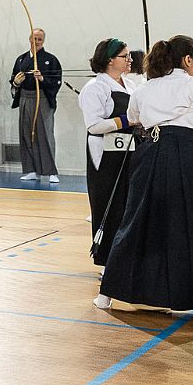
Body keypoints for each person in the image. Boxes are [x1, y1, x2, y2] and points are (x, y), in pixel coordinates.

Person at [95, 35, 193, 325]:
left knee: (137, 222)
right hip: (189, 159)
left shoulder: (144, 88)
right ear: (188, 60)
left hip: (150, 156)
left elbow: (135, 119)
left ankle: (106, 296)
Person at [79, 39, 136, 267]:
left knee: (128, 205)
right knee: (108, 206)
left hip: (129, 151)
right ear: (110, 59)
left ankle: (126, 258)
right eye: (125, 56)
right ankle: (106, 261)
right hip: (104, 155)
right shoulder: (95, 87)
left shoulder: (130, 85)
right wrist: (126, 121)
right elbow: (94, 125)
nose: (130, 60)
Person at [10, 29, 62, 184]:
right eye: (34, 38)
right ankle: (31, 170)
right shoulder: (21, 59)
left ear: (43, 41)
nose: (36, 42)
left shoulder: (50, 59)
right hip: (25, 98)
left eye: (39, 39)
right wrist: (16, 82)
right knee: (26, 133)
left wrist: (42, 79)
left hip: (42, 99)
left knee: (45, 134)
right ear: (29, 39)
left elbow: (56, 81)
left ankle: (51, 171)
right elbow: (13, 79)